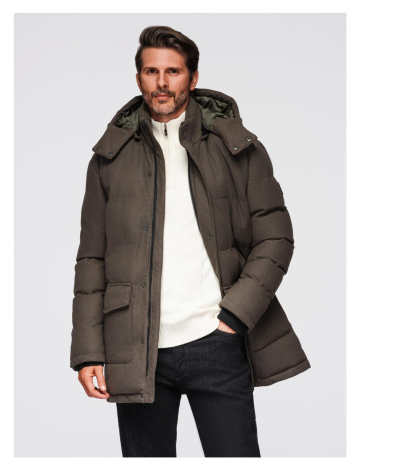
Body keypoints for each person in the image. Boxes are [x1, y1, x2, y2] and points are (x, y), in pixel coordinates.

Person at [70, 25, 311, 457]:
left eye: (173, 71)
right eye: (151, 71)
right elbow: (92, 259)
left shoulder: (237, 147)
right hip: (136, 350)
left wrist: (234, 317)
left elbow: (276, 237)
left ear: (193, 78)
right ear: (139, 78)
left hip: (216, 341)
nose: (162, 83)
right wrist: (89, 353)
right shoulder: (109, 157)